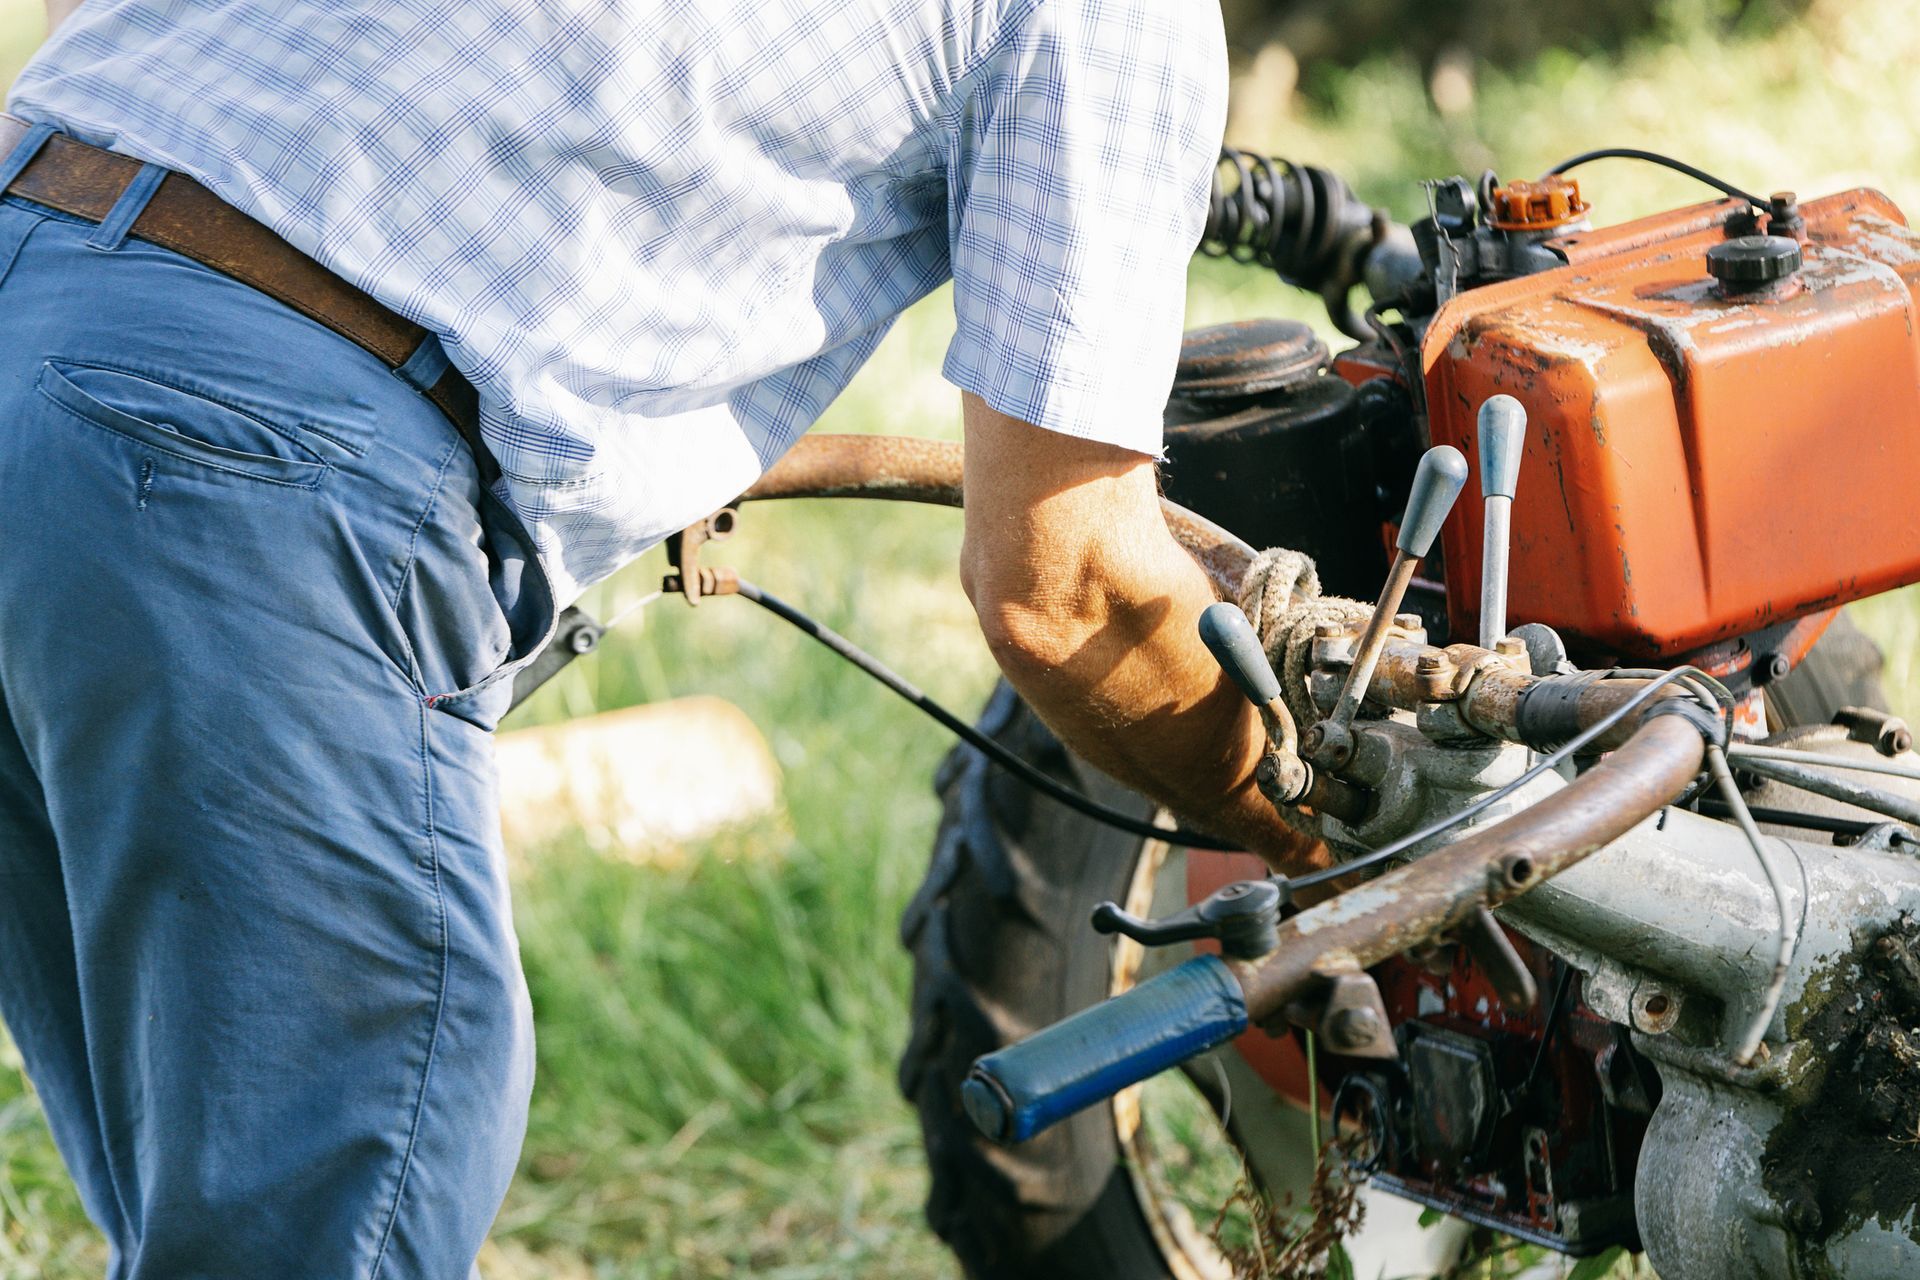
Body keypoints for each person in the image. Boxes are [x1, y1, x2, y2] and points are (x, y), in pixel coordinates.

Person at [0, 0, 1316, 1274]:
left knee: (227, 1206)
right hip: (231, 445)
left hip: (34, 287)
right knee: (337, 1199)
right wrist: (1304, 840)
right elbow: (1069, 583)